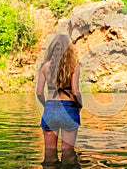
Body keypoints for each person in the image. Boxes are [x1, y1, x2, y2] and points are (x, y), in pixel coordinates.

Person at [36, 34, 82, 167]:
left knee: (49, 154)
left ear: (52, 48)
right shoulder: (74, 66)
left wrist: (47, 105)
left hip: (50, 108)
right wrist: (80, 105)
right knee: (68, 153)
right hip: (69, 108)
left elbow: (39, 92)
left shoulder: (45, 66)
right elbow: (75, 91)